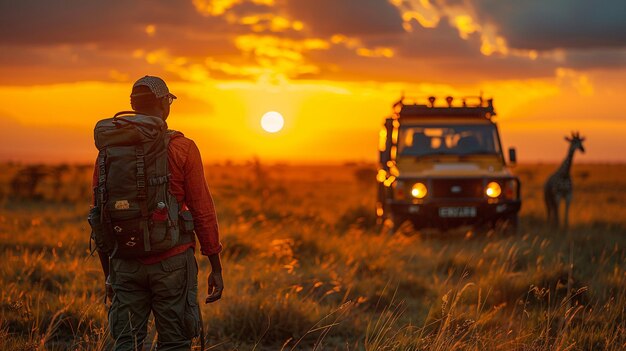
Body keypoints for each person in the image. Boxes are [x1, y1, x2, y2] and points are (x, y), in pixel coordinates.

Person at [92, 75, 223, 350]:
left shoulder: (109, 152)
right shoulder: (182, 147)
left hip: (124, 262)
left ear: (133, 105)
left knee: (127, 341)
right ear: (164, 104)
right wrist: (215, 265)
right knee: (175, 343)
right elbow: (202, 209)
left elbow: (100, 214)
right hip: (173, 262)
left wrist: (109, 274)